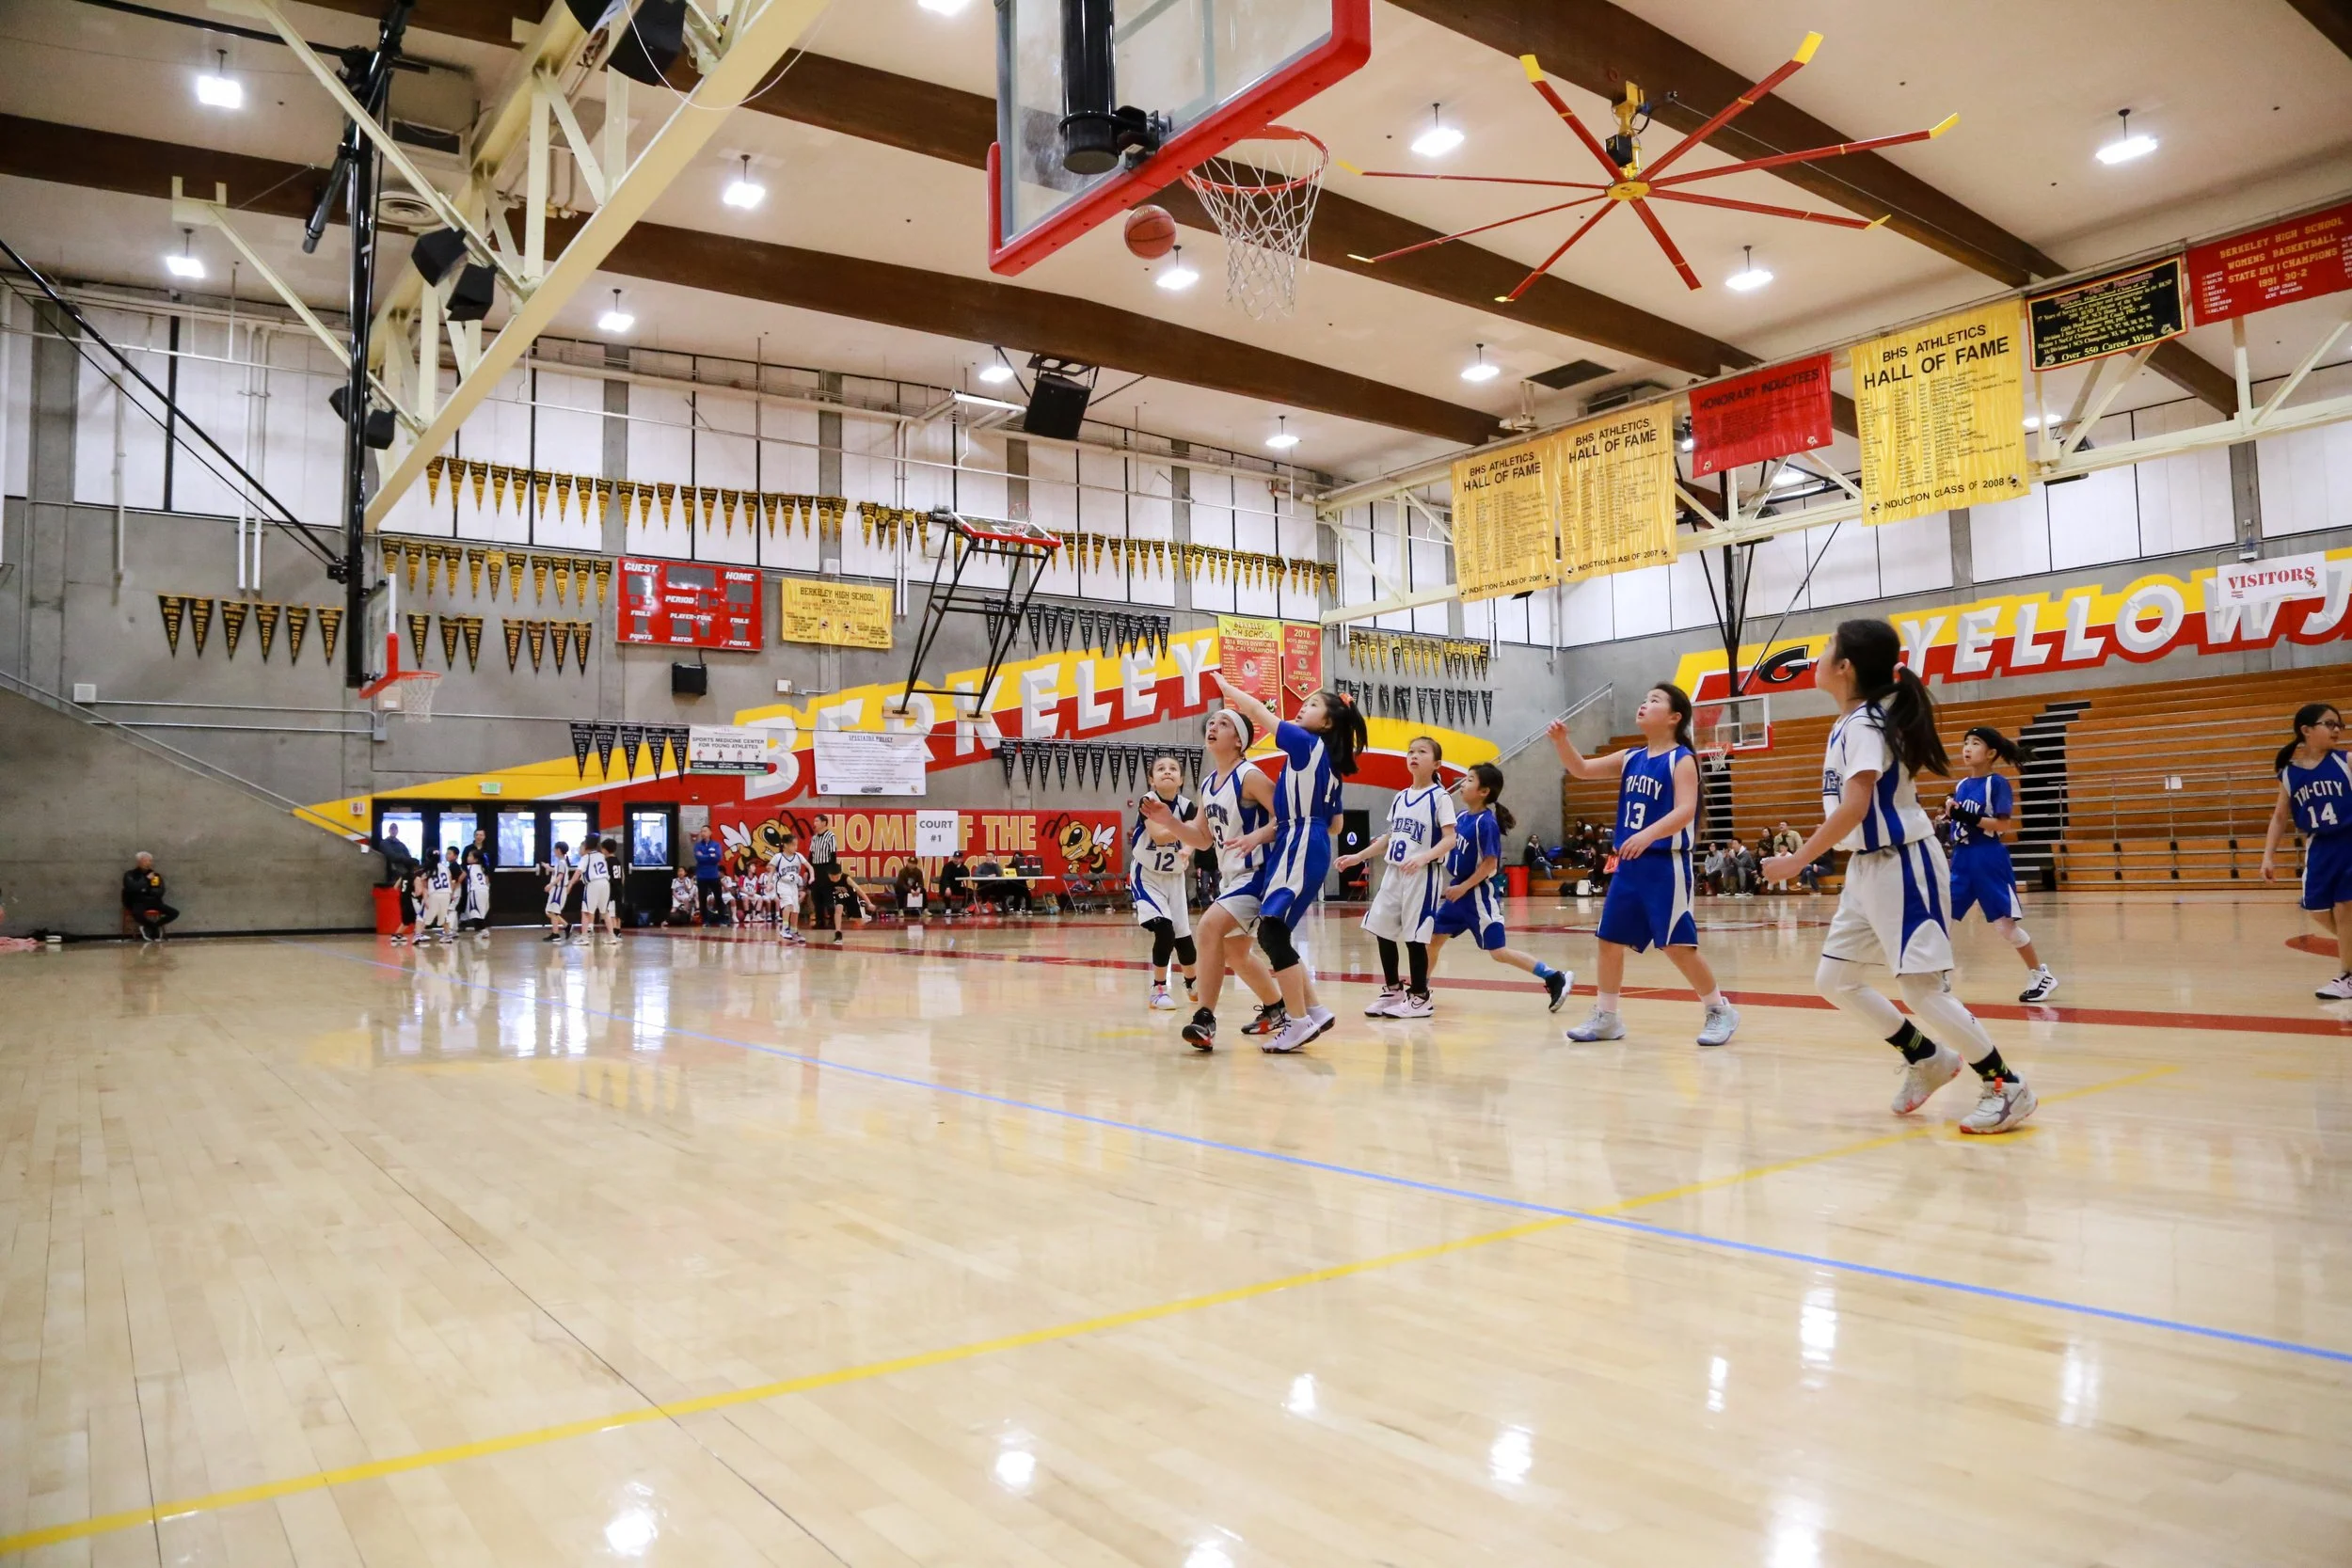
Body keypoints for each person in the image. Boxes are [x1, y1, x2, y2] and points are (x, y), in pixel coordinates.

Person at [1761, 618, 2036, 1134]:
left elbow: (1855, 806)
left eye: (1827, 647)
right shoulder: (1852, 720)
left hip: (1902, 863)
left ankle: (2006, 1085)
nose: (1818, 656)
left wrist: (1798, 860)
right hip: (1866, 868)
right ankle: (1927, 1057)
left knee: (1922, 990)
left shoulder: (1866, 723)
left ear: (1845, 667)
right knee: (1835, 980)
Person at [1549, 686, 1738, 1047]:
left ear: (1674, 717)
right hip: (1629, 866)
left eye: (1655, 701)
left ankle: (1719, 1009)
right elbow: (1581, 769)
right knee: (1609, 941)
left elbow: (1686, 809)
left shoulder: (1681, 759)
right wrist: (1562, 742)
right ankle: (1607, 1017)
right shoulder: (1631, 756)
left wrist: (1648, 835)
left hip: (1665, 865)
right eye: (1645, 698)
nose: (1644, 704)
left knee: (1677, 945)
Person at [1203, 670, 1366, 1053]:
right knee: (1275, 933)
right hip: (1306, 840)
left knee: (1272, 933)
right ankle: (1314, 1011)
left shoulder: (1306, 742)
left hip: (1299, 843)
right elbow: (1336, 825)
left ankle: (1297, 1021)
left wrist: (1227, 690)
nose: (1302, 708)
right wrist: (1264, 834)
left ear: (1326, 722)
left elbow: (1259, 712)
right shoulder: (1329, 763)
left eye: (1312, 705)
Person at [1150, 705, 1289, 1051]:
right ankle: (1277, 1009)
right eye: (1211, 722)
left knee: (1209, 928)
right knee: (1236, 954)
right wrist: (1170, 822)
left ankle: (1204, 1018)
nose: (1212, 726)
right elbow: (1201, 838)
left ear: (1239, 740)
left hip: (1258, 874)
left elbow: (1287, 818)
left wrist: (1258, 836)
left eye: (1223, 723)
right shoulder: (1209, 784)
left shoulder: (1250, 776)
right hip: (1232, 877)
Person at [1423, 762, 1572, 1012]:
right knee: (1433, 940)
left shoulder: (1486, 823)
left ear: (1484, 791)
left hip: (1478, 894)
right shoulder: (1460, 818)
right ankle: (1421, 990)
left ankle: (1554, 976)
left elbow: (1490, 864)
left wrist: (1463, 887)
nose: (1463, 783)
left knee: (1498, 952)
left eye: (1470, 780)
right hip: (1458, 893)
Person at [1337, 736, 1457, 1020]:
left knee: (1415, 935)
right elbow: (1389, 838)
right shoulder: (1401, 797)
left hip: (1423, 873)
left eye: (1422, 752)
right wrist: (1358, 856)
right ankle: (1393, 990)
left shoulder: (1440, 797)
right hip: (1394, 872)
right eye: (1411, 751)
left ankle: (1420, 996)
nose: (1414, 756)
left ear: (1436, 763)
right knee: (1381, 928)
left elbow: (1450, 839)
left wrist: (1424, 857)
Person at [1942, 725, 2058, 1003]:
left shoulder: (1997, 783)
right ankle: (1937, 975)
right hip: (1962, 858)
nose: (1967, 748)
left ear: (1991, 753)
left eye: (1975, 743)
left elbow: (2003, 825)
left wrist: (1967, 817)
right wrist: (1952, 816)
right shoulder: (1961, 785)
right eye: (1966, 742)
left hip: (1988, 858)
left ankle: (2041, 975)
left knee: (2005, 927)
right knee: (1942, 919)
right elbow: (1962, 821)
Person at [2262, 702, 2352, 999]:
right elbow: (2279, 817)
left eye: (2339, 725)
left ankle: (2347, 977)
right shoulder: (2289, 774)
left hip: (2349, 840)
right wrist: (2268, 855)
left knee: (2345, 908)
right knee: (2316, 910)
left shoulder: (2346, 761)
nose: (2337, 729)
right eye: (2329, 723)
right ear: (2306, 730)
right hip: (2319, 847)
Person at [1130, 754, 1200, 1010]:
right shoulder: (1148, 801)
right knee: (1165, 930)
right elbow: (1159, 836)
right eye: (1160, 769)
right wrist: (1186, 830)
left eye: (1173, 769)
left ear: (1181, 779)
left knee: (1184, 937)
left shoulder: (1187, 806)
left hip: (1174, 878)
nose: (1167, 771)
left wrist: (1187, 849)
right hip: (1148, 875)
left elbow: (1195, 837)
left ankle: (1193, 984)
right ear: (1152, 779)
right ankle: (1158, 989)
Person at [120, 852, 178, 942]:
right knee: (137, 914)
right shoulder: (130, 874)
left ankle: (153, 926)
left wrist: (145, 890)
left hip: (153, 900)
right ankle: (152, 927)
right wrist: (146, 880)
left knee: (174, 913)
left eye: (150, 861)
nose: (148, 863)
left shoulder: (155, 875)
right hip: (137, 901)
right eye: (145, 861)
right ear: (139, 862)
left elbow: (160, 890)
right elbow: (132, 888)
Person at [806, 814, 841, 938]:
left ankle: (832, 920)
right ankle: (820, 921)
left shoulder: (831, 836)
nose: (814, 823)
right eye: (814, 821)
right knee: (816, 896)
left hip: (826, 868)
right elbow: (811, 855)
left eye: (817, 821)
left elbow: (833, 855)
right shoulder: (814, 838)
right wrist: (808, 870)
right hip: (816, 869)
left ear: (824, 823)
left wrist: (832, 872)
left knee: (828, 896)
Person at [773, 835, 813, 944]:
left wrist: (812, 877)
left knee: (795, 909)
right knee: (788, 905)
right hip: (782, 884)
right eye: (793, 845)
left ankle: (793, 931)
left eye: (796, 845)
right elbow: (771, 870)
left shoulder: (798, 856)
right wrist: (768, 884)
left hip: (793, 886)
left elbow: (809, 867)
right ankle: (784, 928)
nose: (795, 847)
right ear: (785, 845)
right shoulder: (778, 857)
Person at [691, 827, 727, 926]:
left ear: (710, 832)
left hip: (713, 875)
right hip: (702, 876)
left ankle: (722, 919)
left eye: (705, 831)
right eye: (701, 831)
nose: (703, 833)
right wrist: (710, 855)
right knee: (702, 899)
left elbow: (717, 858)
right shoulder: (698, 845)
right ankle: (705, 920)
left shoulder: (716, 845)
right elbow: (699, 858)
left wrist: (704, 856)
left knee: (718, 898)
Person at [459, 847, 492, 933]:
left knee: (475, 911)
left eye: (470, 856)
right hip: (485, 890)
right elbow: (487, 881)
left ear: (476, 859)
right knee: (480, 912)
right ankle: (481, 929)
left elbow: (461, 878)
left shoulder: (469, 867)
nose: (468, 857)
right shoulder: (483, 868)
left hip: (475, 890)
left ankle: (482, 930)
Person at [543, 844, 572, 942]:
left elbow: (560, 876)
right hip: (557, 890)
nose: (553, 851)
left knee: (552, 912)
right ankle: (566, 926)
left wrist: (550, 885)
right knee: (550, 912)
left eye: (554, 849)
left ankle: (556, 934)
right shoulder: (561, 862)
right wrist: (549, 868)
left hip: (558, 890)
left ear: (558, 850)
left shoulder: (561, 863)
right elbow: (557, 872)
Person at [938, 850, 970, 916]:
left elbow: (966, 875)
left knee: (970, 892)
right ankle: (948, 908)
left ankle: (963, 908)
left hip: (956, 887)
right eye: (955, 858)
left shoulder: (963, 867)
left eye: (958, 858)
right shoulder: (947, 866)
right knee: (946, 891)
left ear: (961, 859)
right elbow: (944, 878)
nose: (956, 860)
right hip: (946, 886)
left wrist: (960, 866)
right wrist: (947, 887)